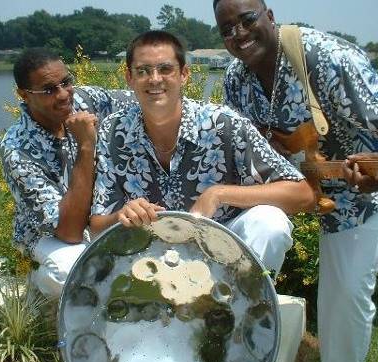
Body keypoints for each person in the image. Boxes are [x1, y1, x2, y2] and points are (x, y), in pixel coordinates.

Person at [213, 1, 378, 362]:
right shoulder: (237, 77)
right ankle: (229, 351)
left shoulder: (326, 57)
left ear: (270, 17)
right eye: (226, 28)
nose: (238, 33)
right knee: (244, 241)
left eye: (247, 19)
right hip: (301, 187)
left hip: (366, 194)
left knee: (345, 292)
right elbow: (243, 140)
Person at [89, 30, 315, 276]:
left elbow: (303, 193)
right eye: (143, 71)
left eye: (165, 69)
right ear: (129, 78)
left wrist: (219, 193)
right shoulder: (114, 131)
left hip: (222, 251)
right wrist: (123, 215)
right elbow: (97, 227)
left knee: (269, 222)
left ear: (184, 74)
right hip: (148, 255)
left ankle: (246, 303)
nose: (154, 79)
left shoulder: (223, 124)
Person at [0, 47, 135, 299]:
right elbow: (70, 232)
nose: (64, 95)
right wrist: (86, 145)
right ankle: (40, 288)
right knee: (73, 271)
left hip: (103, 217)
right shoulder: (18, 149)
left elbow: (146, 100)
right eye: (49, 90)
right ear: (24, 95)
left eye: (66, 82)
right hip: (50, 233)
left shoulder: (86, 99)